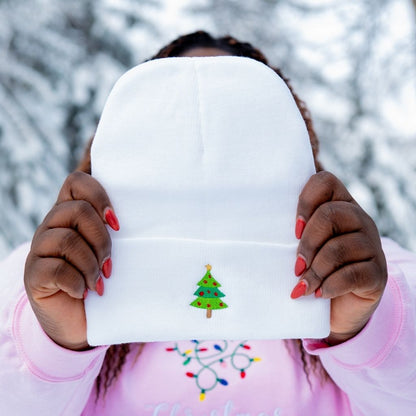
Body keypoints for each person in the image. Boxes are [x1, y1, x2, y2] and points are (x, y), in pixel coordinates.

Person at [0, 31, 415, 416]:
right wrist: (51, 343)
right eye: (172, 123)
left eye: (239, 119)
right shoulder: (38, 282)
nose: (208, 149)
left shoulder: (375, 272)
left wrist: (368, 328)